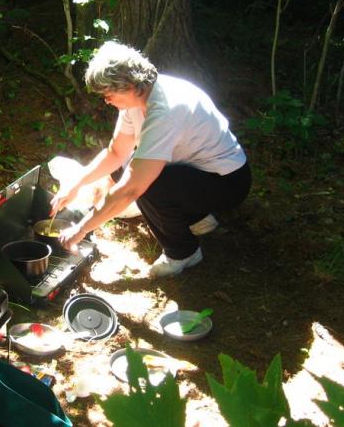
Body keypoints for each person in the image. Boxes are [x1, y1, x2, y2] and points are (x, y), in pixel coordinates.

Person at [50, 41, 251, 277]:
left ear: (129, 85)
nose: (106, 100)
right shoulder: (136, 101)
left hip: (227, 182)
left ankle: (183, 252)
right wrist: (76, 184)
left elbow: (131, 189)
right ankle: (197, 218)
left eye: (108, 94)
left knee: (149, 185)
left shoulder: (166, 109)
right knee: (129, 168)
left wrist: (81, 230)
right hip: (196, 172)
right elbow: (116, 153)